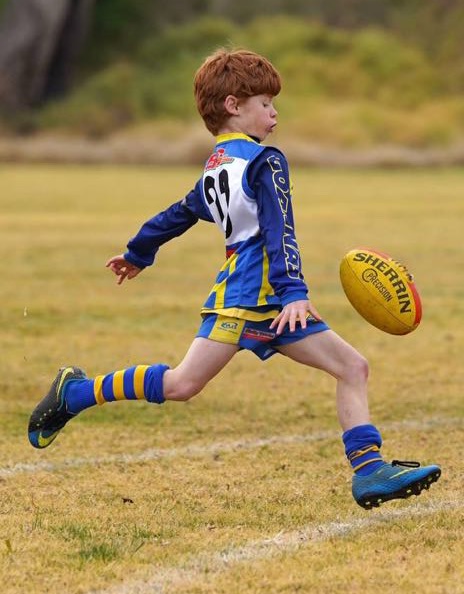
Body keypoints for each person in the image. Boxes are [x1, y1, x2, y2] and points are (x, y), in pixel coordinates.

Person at [28, 48, 441, 509]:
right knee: (182, 384)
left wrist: (138, 252)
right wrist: (294, 292)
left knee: (352, 367)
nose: (274, 113)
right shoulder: (266, 161)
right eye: (265, 103)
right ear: (233, 105)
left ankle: (369, 471)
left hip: (268, 300)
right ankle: (75, 393)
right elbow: (278, 229)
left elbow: (179, 212)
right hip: (251, 296)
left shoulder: (216, 166)